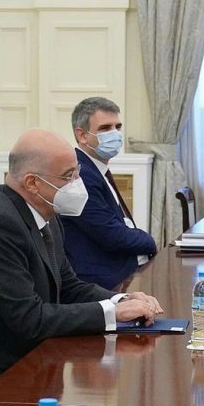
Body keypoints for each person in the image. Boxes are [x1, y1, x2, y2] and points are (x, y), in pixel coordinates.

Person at [0, 129, 164, 405]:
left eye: (78, 172)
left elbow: (68, 285)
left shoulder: (45, 214)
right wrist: (112, 313)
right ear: (33, 183)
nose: (78, 182)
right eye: (68, 175)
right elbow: (29, 319)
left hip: (20, 359)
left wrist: (121, 300)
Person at [59, 96, 158, 289]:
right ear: (82, 135)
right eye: (105, 128)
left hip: (117, 270)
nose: (115, 134)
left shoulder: (94, 168)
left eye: (117, 127)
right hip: (100, 282)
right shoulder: (81, 175)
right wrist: (150, 241)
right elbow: (112, 235)